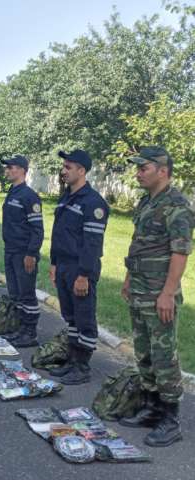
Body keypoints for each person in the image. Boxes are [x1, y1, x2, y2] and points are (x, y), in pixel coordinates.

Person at [119, 146, 193, 447]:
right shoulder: (146, 201)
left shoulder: (177, 205)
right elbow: (138, 243)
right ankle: (151, 408)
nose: (138, 173)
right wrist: (128, 278)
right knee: (144, 352)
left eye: (143, 168)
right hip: (139, 288)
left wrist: (168, 293)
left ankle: (170, 420)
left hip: (158, 293)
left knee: (164, 356)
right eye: (137, 168)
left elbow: (180, 252)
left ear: (163, 171)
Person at [48, 149, 109, 385]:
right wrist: (54, 263)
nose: (63, 171)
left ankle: (82, 367)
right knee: (71, 316)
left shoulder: (93, 203)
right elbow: (58, 234)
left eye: (68, 167)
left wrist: (84, 275)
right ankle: (72, 360)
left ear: (81, 171)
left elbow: (92, 245)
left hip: (80, 268)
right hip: (63, 265)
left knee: (84, 318)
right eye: (63, 166)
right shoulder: (67, 197)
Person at [0, 155, 44, 347]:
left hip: (23, 252)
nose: (8, 170)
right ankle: (18, 328)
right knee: (15, 292)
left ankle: (29, 333)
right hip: (10, 249)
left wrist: (31, 254)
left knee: (27, 294)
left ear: (23, 170)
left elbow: (37, 229)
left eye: (12, 167)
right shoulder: (13, 192)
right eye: (7, 168)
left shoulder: (29, 196)